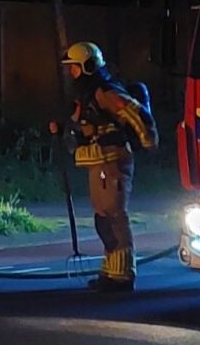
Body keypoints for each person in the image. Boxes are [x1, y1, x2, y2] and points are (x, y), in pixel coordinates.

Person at [52, 41, 157, 291]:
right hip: (98, 162)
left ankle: (122, 275)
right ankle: (111, 271)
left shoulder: (105, 93)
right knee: (103, 219)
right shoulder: (88, 96)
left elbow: (135, 113)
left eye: (74, 68)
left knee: (114, 217)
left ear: (87, 67)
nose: (71, 73)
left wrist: (148, 140)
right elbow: (83, 127)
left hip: (112, 161)